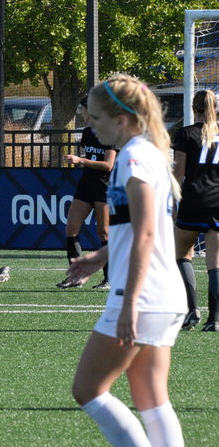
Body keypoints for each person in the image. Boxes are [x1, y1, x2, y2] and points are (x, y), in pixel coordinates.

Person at [66, 74, 186, 446]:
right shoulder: (147, 153)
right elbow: (140, 230)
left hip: (144, 296)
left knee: (88, 390)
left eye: (95, 118)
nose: (90, 125)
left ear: (120, 120)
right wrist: (101, 256)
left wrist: (130, 302)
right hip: (163, 295)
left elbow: (146, 234)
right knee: (151, 398)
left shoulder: (133, 157)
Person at [57, 96, 117, 290]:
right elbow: (93, 156)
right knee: (71, 229)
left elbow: (108, 165)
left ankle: (110, 279)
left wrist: (81, 160)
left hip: (104, 187)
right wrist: (80, 159)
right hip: (86, 185)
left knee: (104, 233)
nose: (80, 113)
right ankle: (76, 276)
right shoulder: (87, 132)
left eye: (81, 109)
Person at [172, 90, 219, 332]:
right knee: (215, 263)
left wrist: (172, 202)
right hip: (217, 202)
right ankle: (215, 320)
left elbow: (178, 173)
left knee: (182, 255)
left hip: (193, 200)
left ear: (194, 108)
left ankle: (192, 311)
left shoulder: (185, 133)